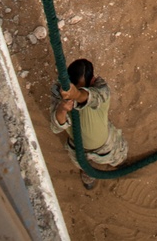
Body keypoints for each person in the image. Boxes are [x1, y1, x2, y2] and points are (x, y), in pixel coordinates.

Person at [50, 58, 127, 190]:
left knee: (119, 156)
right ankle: (88, 172)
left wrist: (76, 94)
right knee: (83, 165)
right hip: (78, 149)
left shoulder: (101, 88)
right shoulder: (60, 93)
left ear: (92, 81)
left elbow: (92, 96)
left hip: (107, 146)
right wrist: (62, 110)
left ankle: (118, 165)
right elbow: (56, 126)